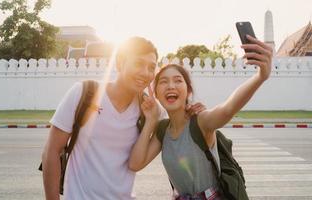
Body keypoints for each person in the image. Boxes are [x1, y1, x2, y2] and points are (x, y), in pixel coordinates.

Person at [41, 36, 205, 200]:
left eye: (151, 67)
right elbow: (52, 151)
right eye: (138, 64)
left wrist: (191, 110)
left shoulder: (151, 111)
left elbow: (179, 123)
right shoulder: (83, 93)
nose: (145, 73)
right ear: (120, 63)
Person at [128, 35, 273, 199]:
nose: (170, 86)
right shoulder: (163, 130)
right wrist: (151, 120)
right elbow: (135, 163)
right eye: (163, 82)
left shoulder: (201, 121)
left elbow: (227, 109)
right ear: (156, 94)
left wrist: (260, 77)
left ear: (188, 91)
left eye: (177, 80)